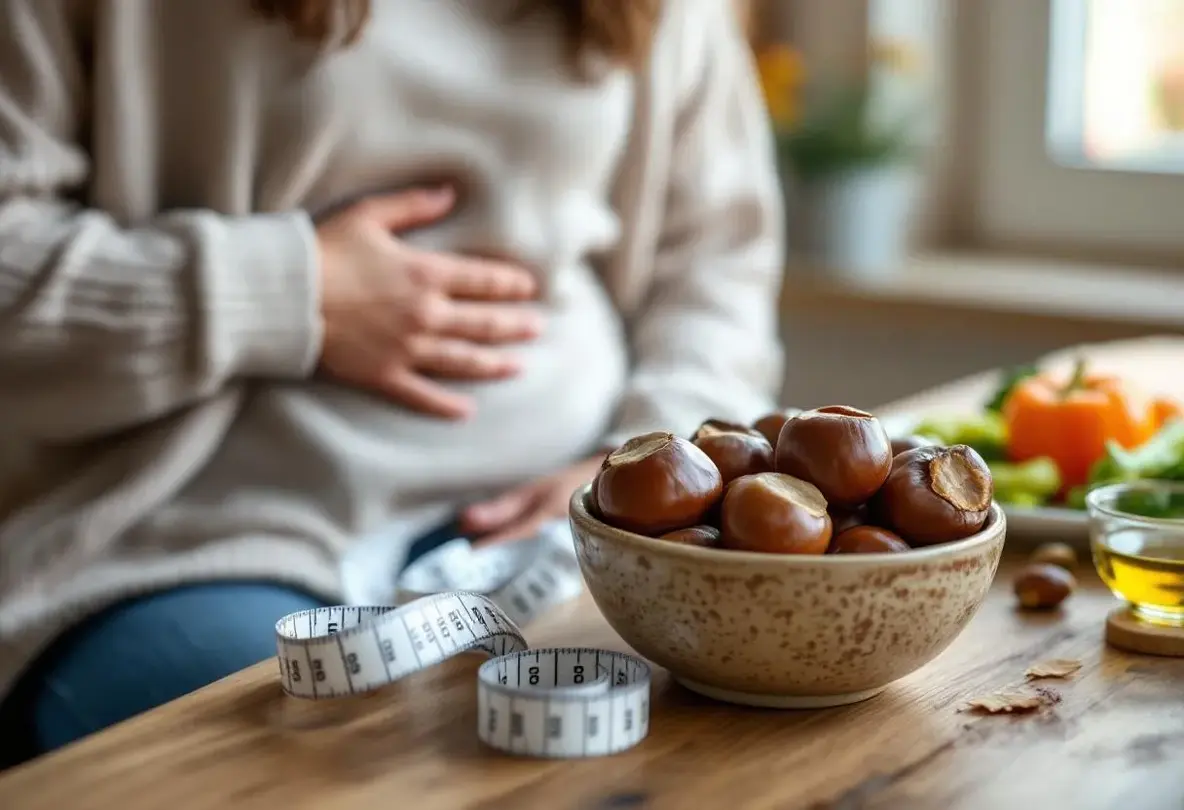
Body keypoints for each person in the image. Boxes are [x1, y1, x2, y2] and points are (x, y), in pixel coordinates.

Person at [0, 0, 785, 767]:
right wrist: (288, 292)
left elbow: (717, 264)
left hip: (567, 515)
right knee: (334, 765)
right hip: (192, 538)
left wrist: (641, 466)